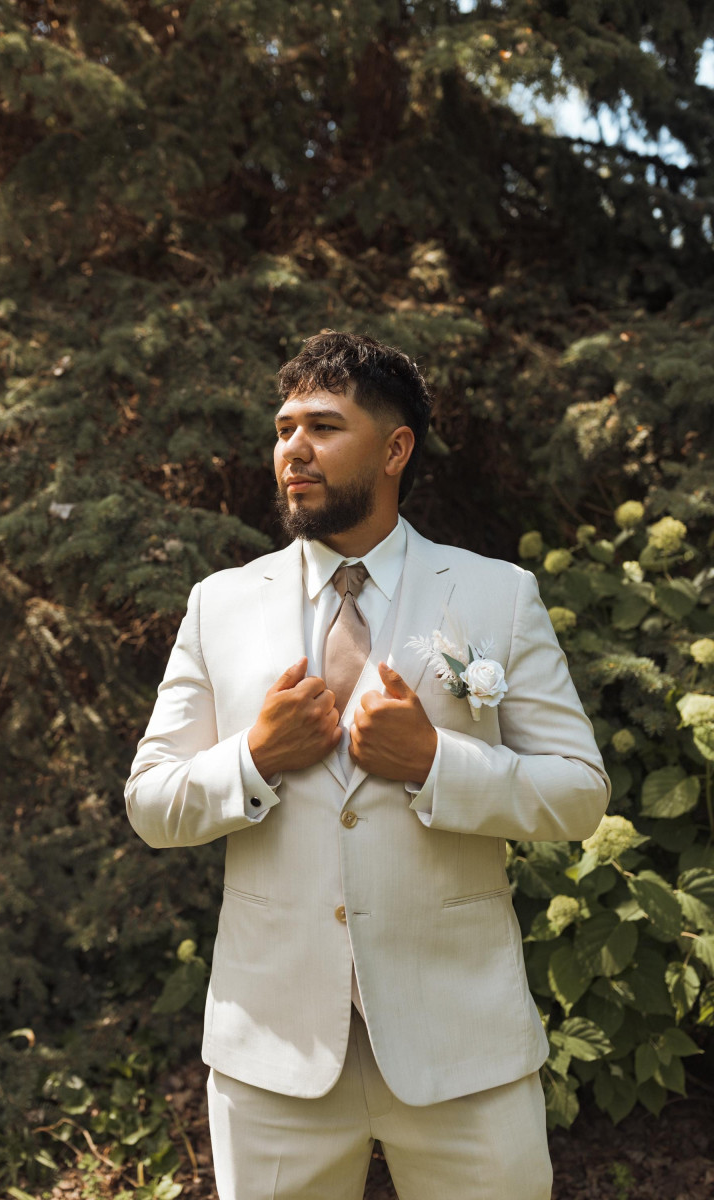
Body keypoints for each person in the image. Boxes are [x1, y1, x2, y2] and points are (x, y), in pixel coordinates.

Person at [124, 330, 610, 1200]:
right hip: (274, 1054)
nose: (293, 449)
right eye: (283, 428)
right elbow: (151, 803)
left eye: (322, 426)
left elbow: (579, 794)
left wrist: (435, 762)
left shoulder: (496, 594)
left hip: (463, 1048)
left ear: (394, 449)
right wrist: (255, 758)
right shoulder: (218, 605)